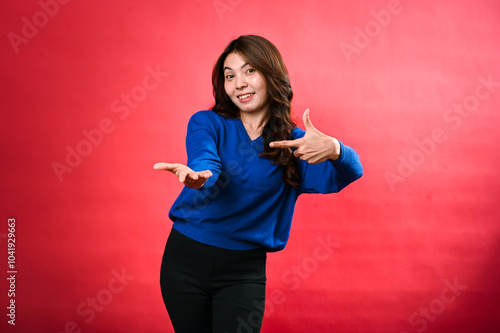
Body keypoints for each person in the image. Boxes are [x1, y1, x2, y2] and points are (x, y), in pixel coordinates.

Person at [154, 35, 363, 333]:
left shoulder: (296, 144)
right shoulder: (207, 123)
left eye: (249, 71)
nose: (239, 83)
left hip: (243, 271)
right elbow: (205, 160)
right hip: (184, 259)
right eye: (230, 75)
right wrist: (199, 178)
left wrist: (336, 149)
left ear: (271, 74)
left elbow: (350, 172)